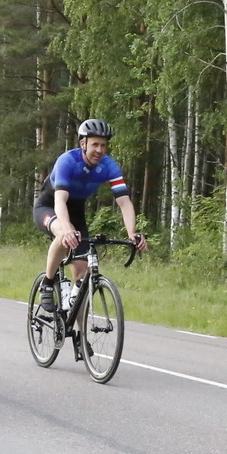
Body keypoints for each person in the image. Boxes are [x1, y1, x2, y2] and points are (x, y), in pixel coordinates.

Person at [34, 119, 147, 316]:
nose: (99, 150)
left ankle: (78, 330)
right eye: (95, 144)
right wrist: (67, 229)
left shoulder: (109, 166)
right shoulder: (68, 161)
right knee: (63, 233)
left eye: (103, 145)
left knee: (82, 275)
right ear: (83, 144)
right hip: (50, 206)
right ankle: (48, 282)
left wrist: (132, 233)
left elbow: (124, 202)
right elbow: (60, 200)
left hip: (76, 211)